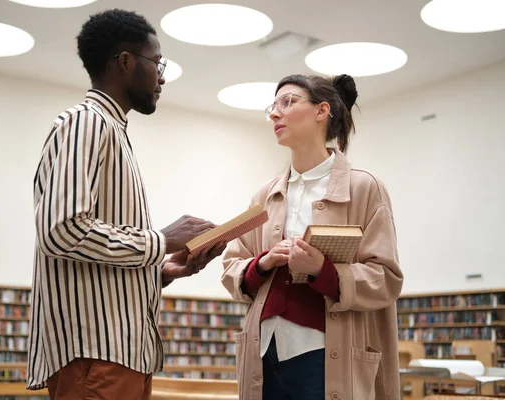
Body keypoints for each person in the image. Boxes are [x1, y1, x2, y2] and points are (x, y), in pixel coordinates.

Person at [26, 9, 225, 400]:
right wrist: (160, 240)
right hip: (96, 356)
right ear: (125, 61)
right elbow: (62, 230)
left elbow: (98, 257)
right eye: (157, 62)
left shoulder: (111, 129)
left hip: (121, 353)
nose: (162, 77)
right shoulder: (86, 122)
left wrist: (165, 270)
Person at [221, 74, 403, 400]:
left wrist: (323, 270)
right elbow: (232, 263)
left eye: (288, 102)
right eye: (272, 107)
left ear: (322, 111)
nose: (275, 114)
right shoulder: (264, 194)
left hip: (325, 355)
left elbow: (386, 278)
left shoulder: (365, 188)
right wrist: (263, 262)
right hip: (263, 354)